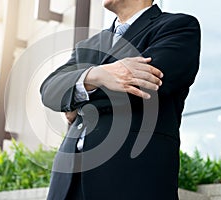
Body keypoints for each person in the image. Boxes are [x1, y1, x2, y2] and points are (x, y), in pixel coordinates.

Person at [40, 0, 201, 199]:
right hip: (68, 183)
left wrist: (76, 96)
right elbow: (48, 90)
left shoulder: (177, 27)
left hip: (130, 178)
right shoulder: (88, 45)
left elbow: (143, 88)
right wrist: (96, 75)